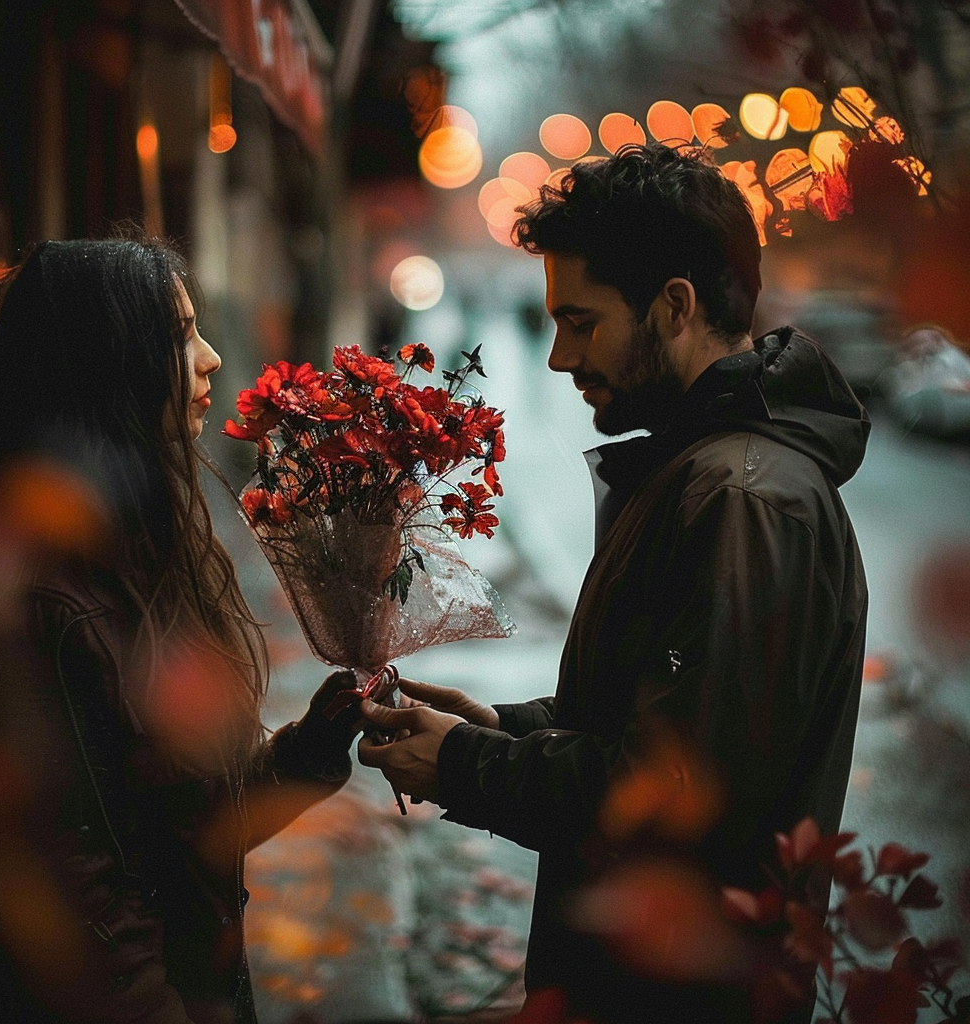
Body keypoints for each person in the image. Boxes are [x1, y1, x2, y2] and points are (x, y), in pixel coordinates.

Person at [358, 144, 870, 1022]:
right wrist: (496, 728)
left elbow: (677, 803)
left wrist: (465, 764)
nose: (560, 356)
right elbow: (656, 722)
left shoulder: (739, 500)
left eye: (583, 321)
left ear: (674, 306)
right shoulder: (698, 472)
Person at [0, 236, 358, 1023]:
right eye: (180, 337)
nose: (210, 360)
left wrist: (314, 746)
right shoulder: (44, 607)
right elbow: (85, 902)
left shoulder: (136, 560)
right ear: (106, 365)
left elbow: (187, 832)